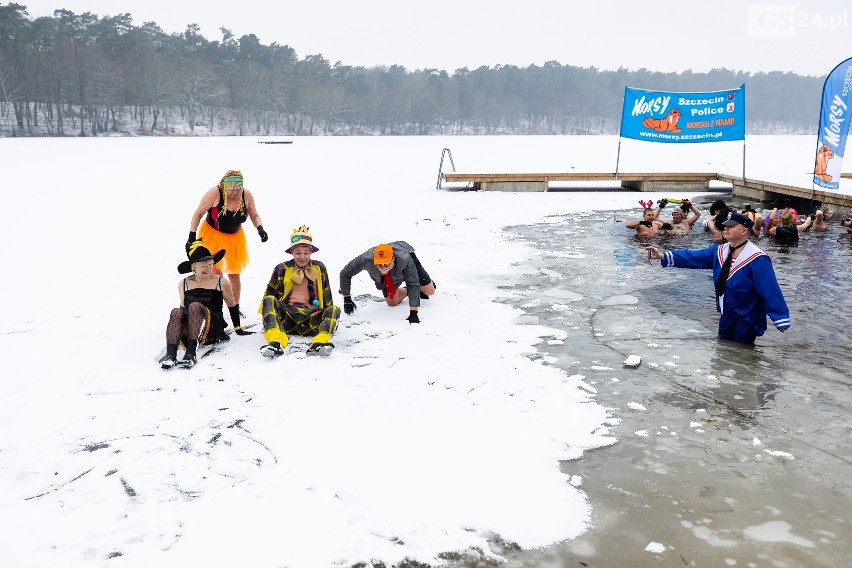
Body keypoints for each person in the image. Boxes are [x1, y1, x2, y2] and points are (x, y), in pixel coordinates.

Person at [646, 213, 790, 345]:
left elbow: (769, 289)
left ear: (744, 231)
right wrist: (662, 256)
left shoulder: (757, 258)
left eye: (731, 226)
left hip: (747, 317)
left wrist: (780, 319)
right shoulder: (719, 251)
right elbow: (694, 257)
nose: (726, 229)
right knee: (724, 351)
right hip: (726, 313)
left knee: (743, 354)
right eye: (726, 226)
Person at [159, 241, 254, 369]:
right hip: (193, 328)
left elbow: (231, 304)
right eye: (204, 265)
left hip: (213, 327)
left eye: (210, 265)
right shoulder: (184, 283)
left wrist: (238, 328)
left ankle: (191, 354)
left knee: (195, 306)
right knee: (176, 311)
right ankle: (170, 355)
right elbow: (182, 308)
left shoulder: (221, 281)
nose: (208, 268)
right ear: (194, 267)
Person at [258, 226, 341, 358]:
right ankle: (275, 342)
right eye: (298, 253)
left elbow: (327, 295)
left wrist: (327, 317)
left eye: (306, 253)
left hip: (310, 319)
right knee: (268, 299)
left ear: (311, 253)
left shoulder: (319, 267)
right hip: (287, 318)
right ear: (292, 252)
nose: (302, 257)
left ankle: (318, 343)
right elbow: (269, 297)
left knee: (335, 309)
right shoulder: (281, 268)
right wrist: (270, 321)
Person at [187, 170, 267, 305]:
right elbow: (198, 213)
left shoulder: (246, 195)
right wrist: (192, 235)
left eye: (238, 188)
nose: (235, 192)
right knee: (215, 273)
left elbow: (254, 215)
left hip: (235, 239)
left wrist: (260, 229)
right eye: (231, 188)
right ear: (224, 185)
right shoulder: (215, 193)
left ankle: (235, 305)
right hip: (212, 235)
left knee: (235, 275)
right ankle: (216, 305)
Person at [339, 241, 436, 324]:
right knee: (392, 302)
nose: (383, 269)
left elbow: (413, 283)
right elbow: (345, 273)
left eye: (386, 264)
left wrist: (413, 313)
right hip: (392, 274)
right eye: (379, 265)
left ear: (393, 258)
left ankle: (425, 286)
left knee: (429, 291)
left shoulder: (405, 258)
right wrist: (347, 298)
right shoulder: (366, 259)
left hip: (406, 260)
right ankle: (410, 291)